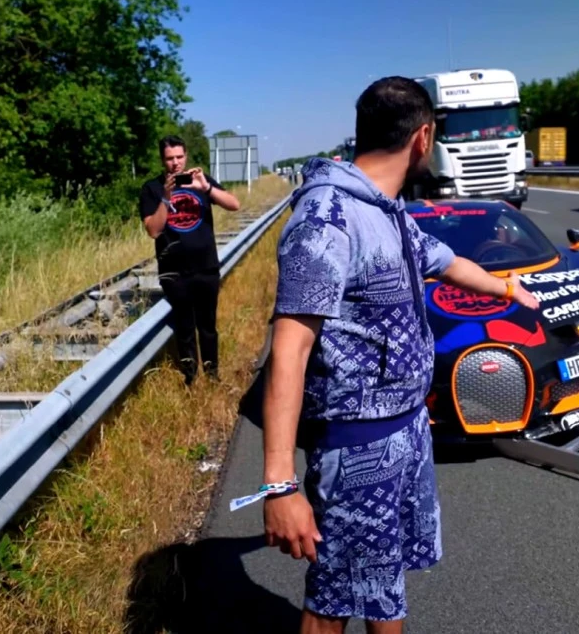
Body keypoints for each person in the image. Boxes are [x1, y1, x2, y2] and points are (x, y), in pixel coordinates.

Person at [261, 76, 540, 633]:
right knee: (333, 601)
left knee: (384, 587)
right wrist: (279, 484)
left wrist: (511, 291)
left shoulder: (387, 210)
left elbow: (447, 261)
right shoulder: (328, 220)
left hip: (406, 427)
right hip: (357, 440)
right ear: (424, 138)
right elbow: (288, 351)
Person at [138, 135, 241, 386]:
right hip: (174, 272)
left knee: (208, 326)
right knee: (184, 328)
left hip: (206, 266)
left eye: (179, 157)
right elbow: (153, 229)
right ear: (162, 160)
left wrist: (205, 188)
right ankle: (191, 379)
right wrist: (166, 196)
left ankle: (213, 375)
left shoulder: (199, 181)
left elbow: (234, 204)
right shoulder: (152, 188)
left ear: (186, 156)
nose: (175, 163)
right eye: (169, 158)